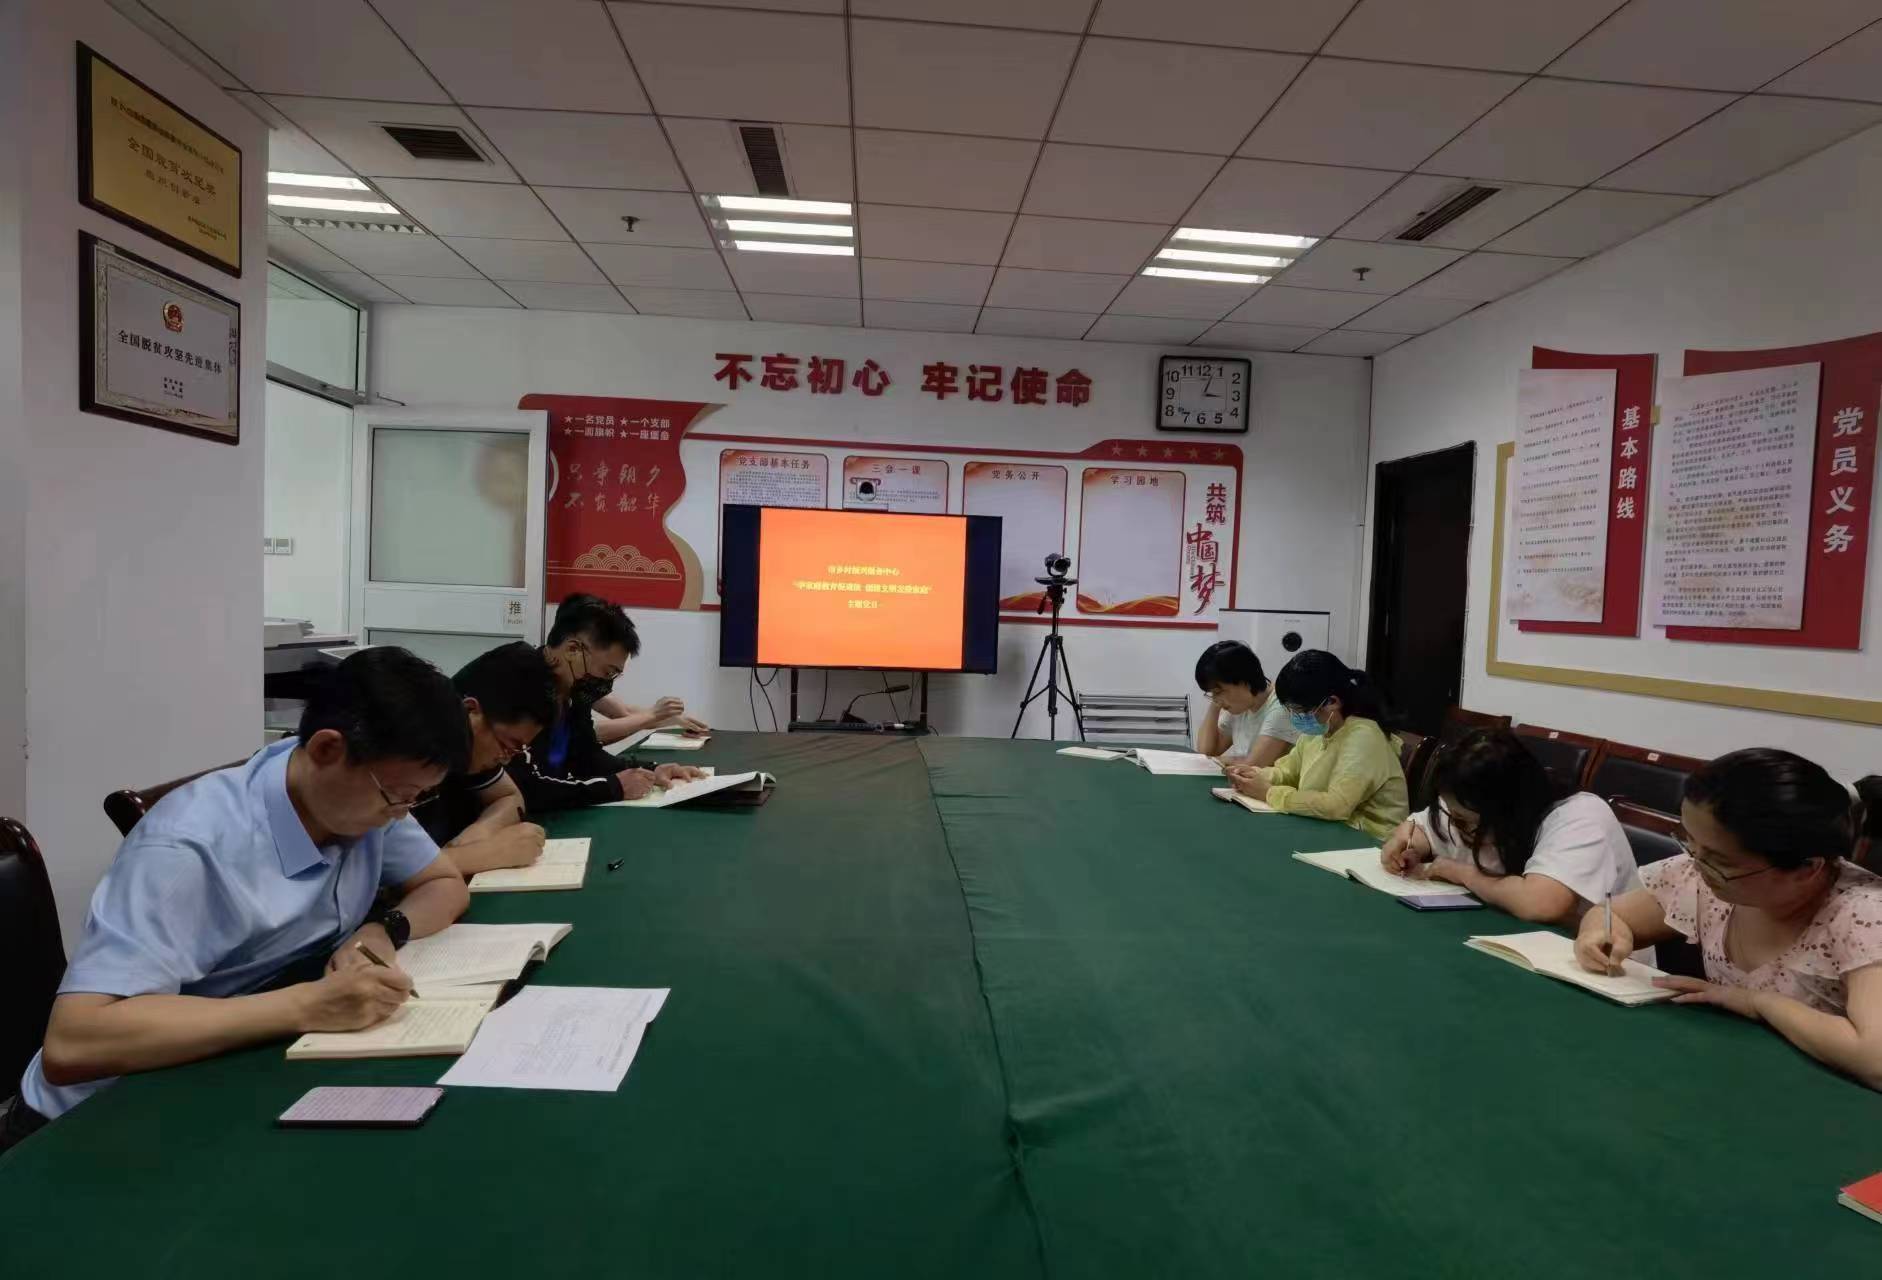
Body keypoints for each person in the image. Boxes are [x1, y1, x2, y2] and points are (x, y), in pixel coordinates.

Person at [1, 648, 472, 1149]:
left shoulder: (356, 800)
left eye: (416, 798)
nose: (401, 813)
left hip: (228, 1066)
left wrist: (381, 930)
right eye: (398, 795)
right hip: (100, 1117)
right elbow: (75, 1041)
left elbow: (443, 884)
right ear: (326, 749)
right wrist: (307, 1005)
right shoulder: (189, 847)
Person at [1574, 749, 1882, 1092]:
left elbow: (1875, 1060)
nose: (1696, 864)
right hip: (1732, 1078)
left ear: (1807, 868)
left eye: (1719, 860)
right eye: (1690, 843)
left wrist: (1757, 1003)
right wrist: (1601, 933)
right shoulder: (1702, 876)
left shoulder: (1864, 916)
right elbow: (1612, 914)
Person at [1381, 728, 1641, 927]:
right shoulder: (1469, 801)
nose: (1456, 825)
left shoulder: (1580, 817)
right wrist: (1407, 845)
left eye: (1463, 820)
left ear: (1504, 809)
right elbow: (1422, 827)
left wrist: (1458, 872)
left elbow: (1541, 903)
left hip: (1601, 963)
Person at [508, 594, 703, 812]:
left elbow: (587, 756)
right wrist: (613, 788)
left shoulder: (574, 690)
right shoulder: (518, 679)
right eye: (608, 672)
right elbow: (525, 787)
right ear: (573, 650)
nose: (606, 682)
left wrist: (652, 771)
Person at [1225, 650, 1407, 839]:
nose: (1296, 717)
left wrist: (1269, 793)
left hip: (1369, 841)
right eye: (1290, 710)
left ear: (1332, 702)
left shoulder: (1364, 736)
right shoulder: (1319, 730)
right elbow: (1288, 772)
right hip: (1327, 830)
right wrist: (1252, 776)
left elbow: (1337, 806)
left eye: (1299, 710)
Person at [415, 641, 559, 877]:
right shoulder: (408, 753)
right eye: (507, 746)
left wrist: (478, 833)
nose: (505, 760)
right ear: (470, 711)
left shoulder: (471, 750)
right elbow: (385, 874)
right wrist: (486, 853)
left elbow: (509, 797)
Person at [1193, 640, 1297, 768]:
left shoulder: (1281, 706)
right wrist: (1215, 704)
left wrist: (1218, 760)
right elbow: (1206, 752)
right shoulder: (1240, 706)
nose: (1215, 699)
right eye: (1211, 693)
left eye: (1218, 691)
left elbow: (1253, 765)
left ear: (1244, 682)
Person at [592, 693, 709, 746]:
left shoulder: (589, 685)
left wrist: (672, 718)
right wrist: (655, 714)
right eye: (608, 670)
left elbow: (625, 714)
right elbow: (589, 733)